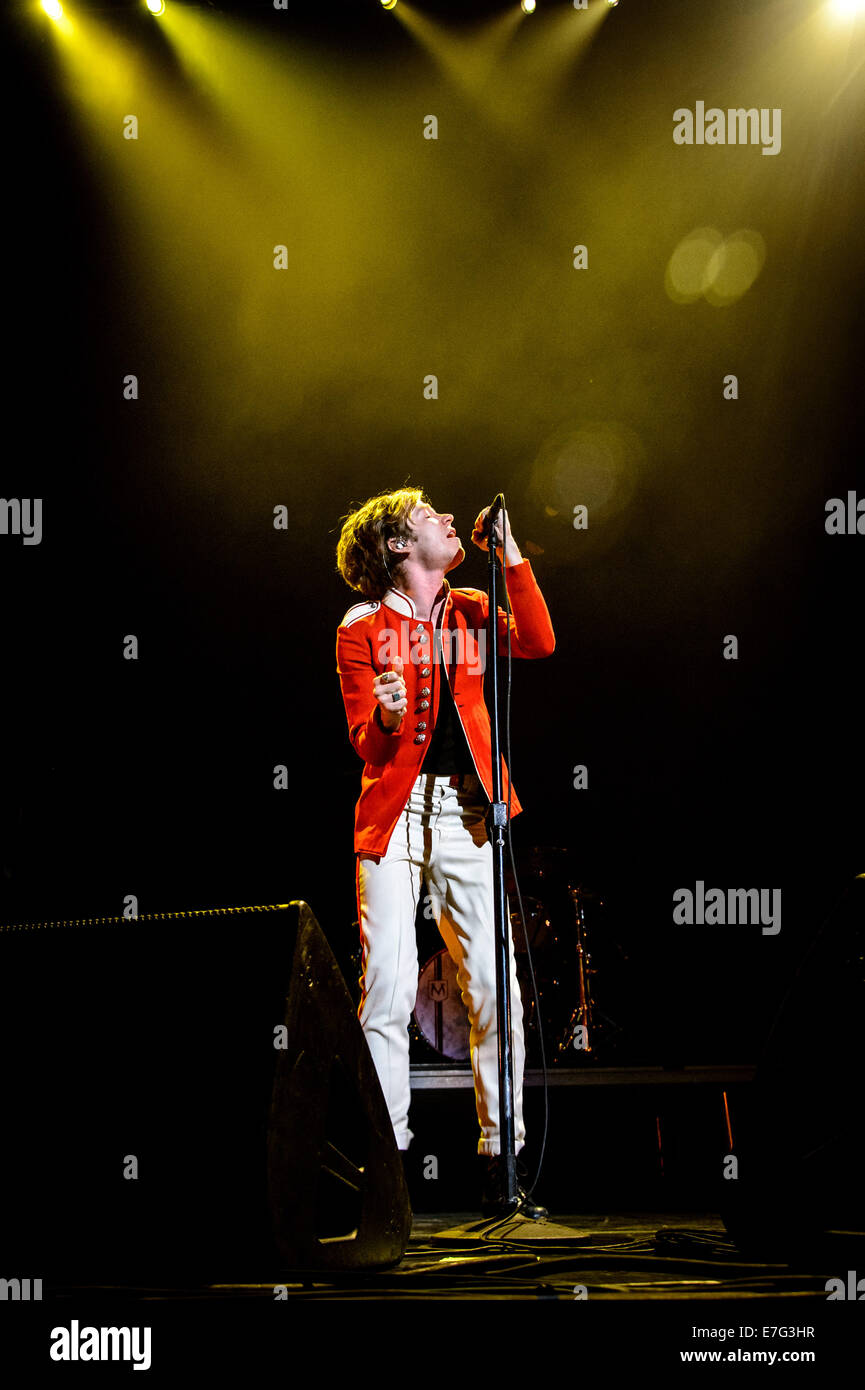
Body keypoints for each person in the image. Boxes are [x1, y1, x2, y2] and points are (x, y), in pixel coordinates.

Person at [335, 486, 555, 1218]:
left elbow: (537, 642)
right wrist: (386, 718)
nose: (449, 519)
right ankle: (385, 1170)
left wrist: (512, 555)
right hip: (394, 820)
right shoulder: (360, 626)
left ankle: (504, 1166)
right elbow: (363, 741)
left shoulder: (466, 609)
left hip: (468, 812)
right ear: (399, 545)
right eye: (430, 515)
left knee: (495, 988)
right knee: (388, 991)